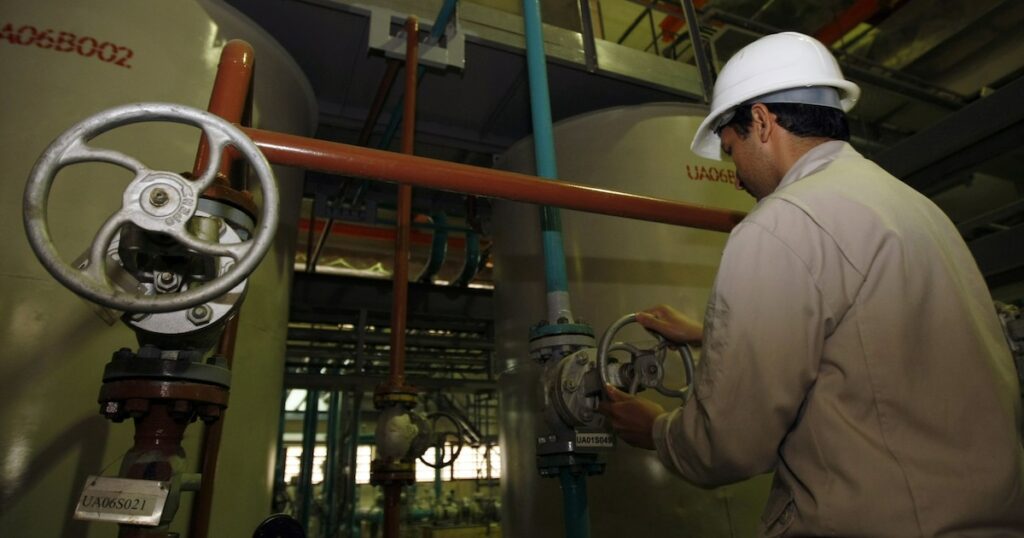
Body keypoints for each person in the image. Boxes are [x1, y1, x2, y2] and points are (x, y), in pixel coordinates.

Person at [597, 32, 1024, 536]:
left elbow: (728, 443)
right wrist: (708, 334)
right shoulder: (918, 210)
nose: (735, 176)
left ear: (760, 121)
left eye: (731, 151)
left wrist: (657, 431)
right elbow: (877, 343)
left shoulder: (780, 224)